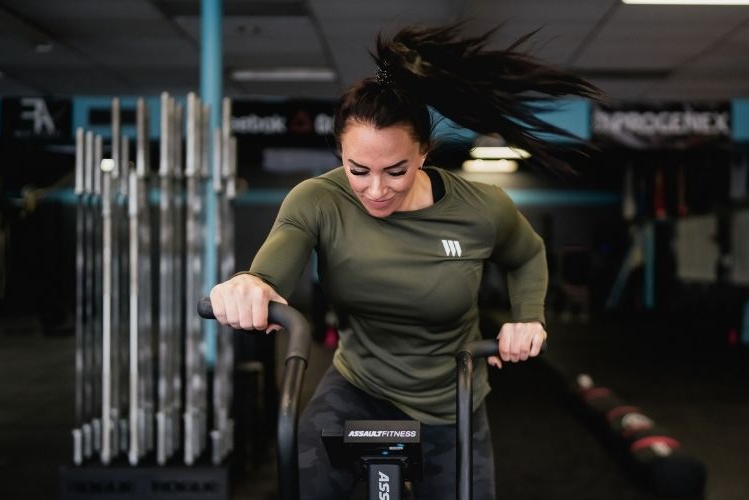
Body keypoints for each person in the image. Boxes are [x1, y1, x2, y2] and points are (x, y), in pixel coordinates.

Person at [210, 23, 601, 499]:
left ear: (424, 152)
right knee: (302, 478)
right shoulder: (317, 200)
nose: (376, 190)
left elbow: (527, 255)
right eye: (359, 170)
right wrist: (249, 284)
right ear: (341, 155)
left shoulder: (480, 208)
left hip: (449, 397)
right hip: (358, 386)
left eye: (396, 170)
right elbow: (272, 268)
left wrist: (529, 319)